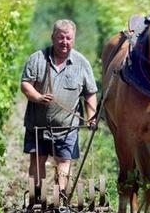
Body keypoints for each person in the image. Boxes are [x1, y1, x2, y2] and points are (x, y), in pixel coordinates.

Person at [21, 19, 98, 197]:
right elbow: (26, 85)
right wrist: (38, 97)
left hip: (67, 127)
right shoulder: (37, 59)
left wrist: (91, 116)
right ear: (52, 38)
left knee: (64, 161)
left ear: (74, 39)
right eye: (60, 38)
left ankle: (60, 197)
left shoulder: (81, 63)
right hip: (38, 125)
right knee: (38, 160)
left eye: (68, 38)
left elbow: (90, 92)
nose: (65, 42)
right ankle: (36, 196)